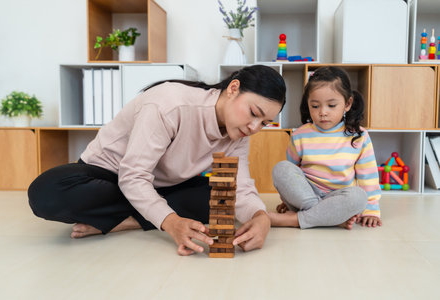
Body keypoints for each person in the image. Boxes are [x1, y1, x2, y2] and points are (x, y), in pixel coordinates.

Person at [28, 65, 286, 256]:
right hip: (110, 175)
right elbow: (133, 176)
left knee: (223, 199)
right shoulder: (170, 104)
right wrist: (171, 223)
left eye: (264, 123)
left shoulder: (239, 132)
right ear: (233, 89)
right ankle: (144, 216)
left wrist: (260, 216)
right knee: (48, 193)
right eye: (254, 113)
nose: (254, 127)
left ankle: (123, 220)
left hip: (160, 187)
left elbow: (237, 186)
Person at [268, 66, 382, 230]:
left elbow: (368, 176)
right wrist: (287, 199)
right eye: (315, 106)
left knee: (359, 196)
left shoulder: (359, 136)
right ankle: (328, 217)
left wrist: (371, 210)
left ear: (347, 104)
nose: (323, 112)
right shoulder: (300, 135)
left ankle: (296, 219)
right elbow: (292, 174)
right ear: (308, 104)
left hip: (339, 197)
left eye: (331, 105)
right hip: (306, 195)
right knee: (281, 168)